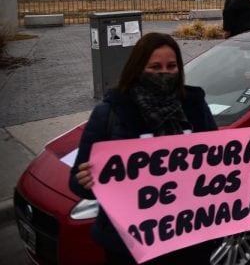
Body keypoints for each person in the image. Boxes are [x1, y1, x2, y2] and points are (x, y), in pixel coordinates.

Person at [69, 33, 218, 264]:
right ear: (138, 68)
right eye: (155, 67)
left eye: (171, 66)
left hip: (190, 238)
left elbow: (221, 162)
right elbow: (77, 182)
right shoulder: (111, 112)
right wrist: (86, 180)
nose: (164, 73)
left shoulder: (195, 106)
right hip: (131, 245)